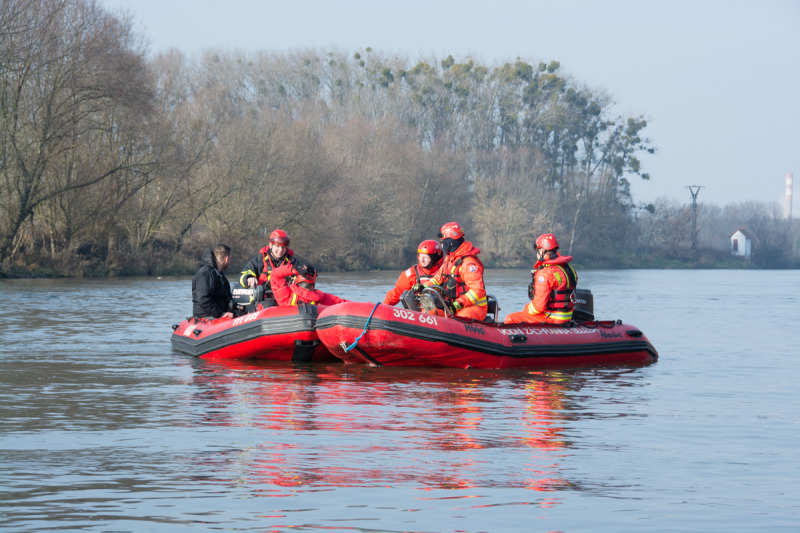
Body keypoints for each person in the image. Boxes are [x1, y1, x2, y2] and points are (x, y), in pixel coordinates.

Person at [504, 233, 578, 325]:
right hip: (566, 317)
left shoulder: (544, 274)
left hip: (551, 318)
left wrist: (526, 310)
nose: (537, 254)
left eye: (538, 250)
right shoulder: (570, 270)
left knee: (510, 318)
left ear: (542, 251)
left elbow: (538, 307)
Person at [422, 221, 488, 320]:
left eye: (443, 241)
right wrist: (422, 287)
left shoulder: (468, 264)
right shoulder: (449, 260)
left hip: (474, 307)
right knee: (428, 312)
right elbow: (436, 280)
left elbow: (477, 290)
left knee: (462, 318)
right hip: (453, 306)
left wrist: (458, 303)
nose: (442, 245)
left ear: (450, 242)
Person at [382, 239, 444, 306]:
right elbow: (396, 293)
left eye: (426, 257)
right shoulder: (412, 273)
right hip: (419, 312)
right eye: (420, 256)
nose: (422, 260)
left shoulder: (446, 270)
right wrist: (383, 308)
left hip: (444, 311)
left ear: (434, 257)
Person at [269, 262, 348, 306]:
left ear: (297, 280)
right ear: (313, 282)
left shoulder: (286, 297)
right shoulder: (323, 299)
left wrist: (294, 269)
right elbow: (344, 304)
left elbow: (274, 274)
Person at [192, 244, 234, 319]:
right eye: (230, 259)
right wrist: (220, 314)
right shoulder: (206, 273)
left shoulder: (219, 274)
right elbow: (203, 299)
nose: (230, 262)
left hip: (219, 313)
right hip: (207, 316)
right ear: (226, 259)